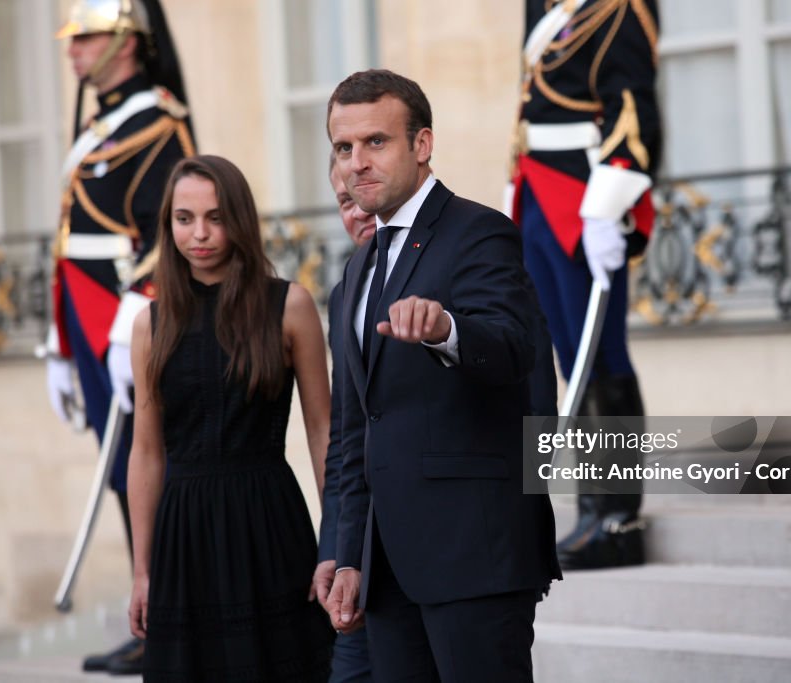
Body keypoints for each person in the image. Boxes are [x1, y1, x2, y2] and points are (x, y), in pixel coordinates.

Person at [324, 69, 561, 682]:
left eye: (375, 142)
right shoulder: (354, 275)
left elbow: (514, 348)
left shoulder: (478, 231)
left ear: (421, 144)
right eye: (344, 148)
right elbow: (354, 434)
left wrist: (448, 331)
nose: (356, 163)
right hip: (386, 570)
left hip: (471, 556)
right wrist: (345, 552)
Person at [127, 155, 335, 681]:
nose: (200, 233)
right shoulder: (150, 325)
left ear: (239, 220)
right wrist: (142, 570)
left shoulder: (290, 306)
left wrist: (339, 543)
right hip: (183, 538)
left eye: (216, 218)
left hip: (269, 524)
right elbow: (147, 452)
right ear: (168, 224)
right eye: (184, 218)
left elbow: (323, 431)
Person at [45, 0, 195, 674]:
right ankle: (153, 609)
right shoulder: (103, 123)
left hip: (120, 305)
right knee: (120, 467)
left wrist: (140, 309)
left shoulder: (159, 121)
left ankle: (168, 610)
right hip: (87, 306)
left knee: (143, 458)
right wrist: (61, 339)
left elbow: (169, 224)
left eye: (90, 38)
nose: (75, 52)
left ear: (127, 42)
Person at [506, 0, 662, 570]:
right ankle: (591, 508)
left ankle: (620, 517)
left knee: (600, 353)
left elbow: (634, 107)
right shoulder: (545, 5)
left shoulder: (620, 8)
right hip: (538, 189)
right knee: (569, 357)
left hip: (584, 194)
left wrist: (607, 203)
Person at [312, 158, 376, 683]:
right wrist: (334, 547)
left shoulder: (471, 251)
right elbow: (344, 441)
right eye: (343, 203)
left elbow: (529, 396)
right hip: (361, 551)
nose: (358, 213)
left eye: (362, 196)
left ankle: (613, 513)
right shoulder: (343, 293)